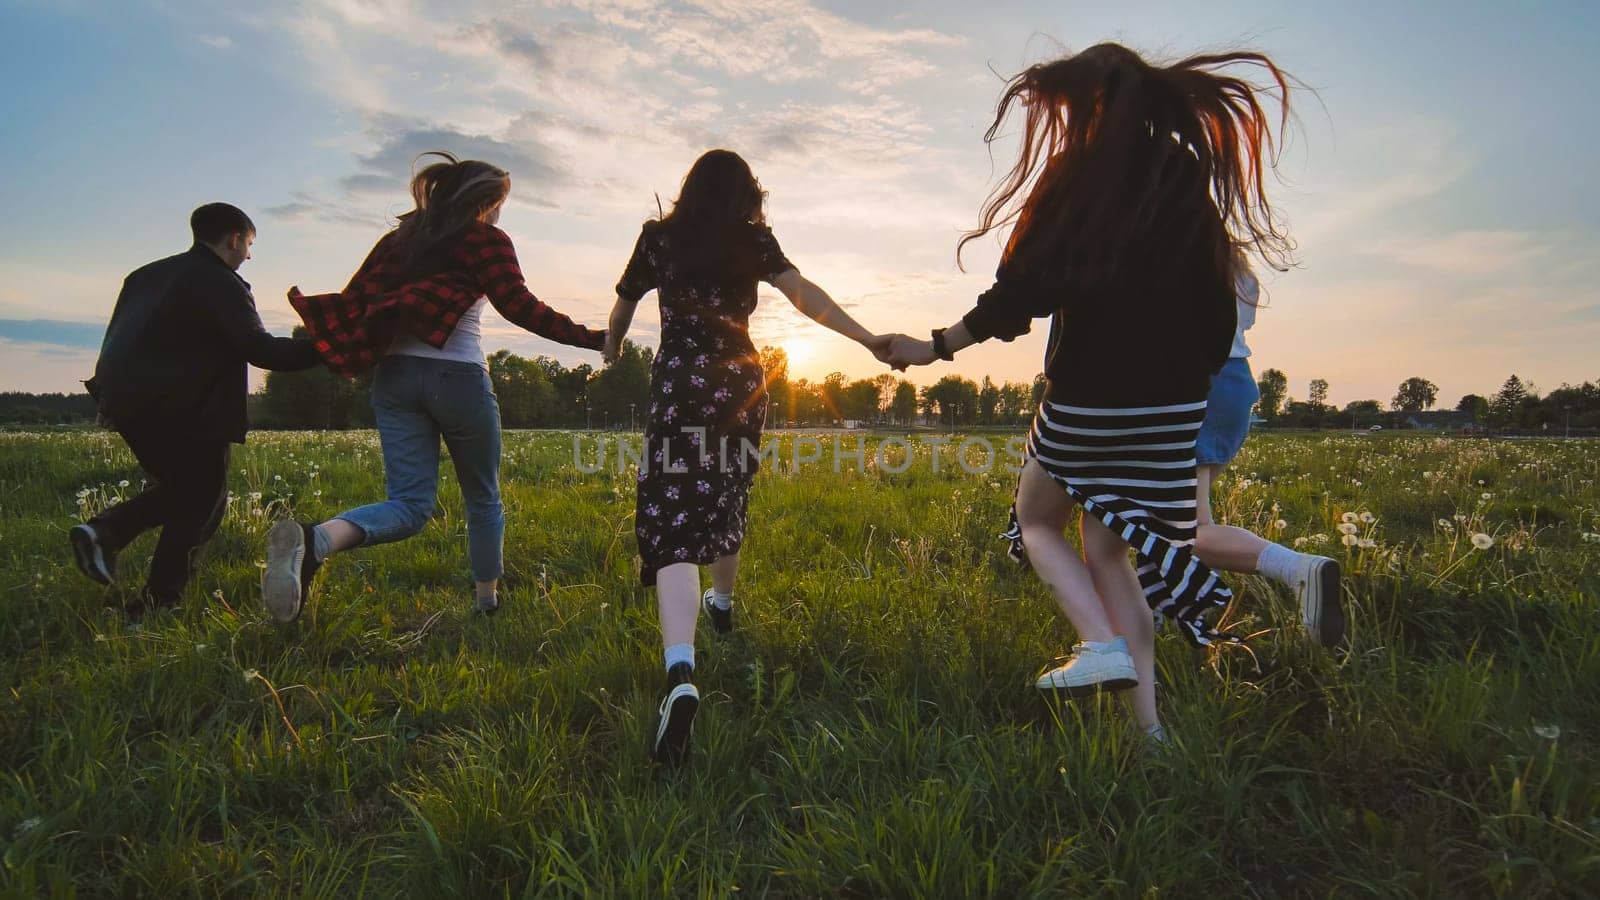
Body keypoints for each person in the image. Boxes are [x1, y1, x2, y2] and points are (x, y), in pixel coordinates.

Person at [888, 44, 1296, 744]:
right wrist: (1187, 385)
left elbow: (1019, 294)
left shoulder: (1079, 176)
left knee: (1038, 520)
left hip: (1089, 398)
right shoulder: (1183, 173)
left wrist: (935, 347)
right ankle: (1150, 737)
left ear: (1088, 104)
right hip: (1174, 406)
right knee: (1110, 556)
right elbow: (1215, 305)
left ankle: (1098, 646)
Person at [605, 149, 893, 764]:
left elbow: (625, 302)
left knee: (672, 519)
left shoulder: (658, 238)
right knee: (728, 492)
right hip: (739, 381)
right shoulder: (752, 238)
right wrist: (868, 339)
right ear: (747, 195)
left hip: (681, 382)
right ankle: (725, 605)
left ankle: (681, 671)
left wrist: (610, 345)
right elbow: (804, 297)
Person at [263, 152, 605, 623]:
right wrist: (596, 340)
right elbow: (521, 305)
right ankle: (487, 604)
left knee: (407, 504)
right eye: (499, 202)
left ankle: (315, 540)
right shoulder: (485, 239)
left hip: (395, 379)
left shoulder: (398, 240)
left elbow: (362, 300)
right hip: (458, 379)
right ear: (485, 201)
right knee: (483, 496)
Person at [71, 203, 321, 620]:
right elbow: (259, 349)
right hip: (186, 408)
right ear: (234, 239)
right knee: (203, 499)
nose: (249, 255)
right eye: (250, 244)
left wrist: (110, 397)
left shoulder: (144, 276)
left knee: (187, 493)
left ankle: (113, 545)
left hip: (125, 402)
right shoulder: (221, 282)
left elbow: (118, 337)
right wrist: (325, 346)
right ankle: (151, 594)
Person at [1187, 258, 1345, 646]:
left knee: (1179, 529)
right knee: (1183, 514)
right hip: (1236, 382)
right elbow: (1244, 324)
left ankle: (1298, 569)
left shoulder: (1177, 255)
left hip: (1193, 381)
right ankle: (1174, 607)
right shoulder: (1238, 268)